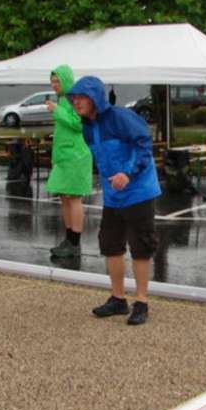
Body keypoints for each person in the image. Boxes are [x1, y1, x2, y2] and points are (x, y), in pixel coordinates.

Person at [67, 76, 161, 325]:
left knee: (141, 246)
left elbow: (144, 145)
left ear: (95, 98)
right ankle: (118, 299)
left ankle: (141, 302)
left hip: (138, 190)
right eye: (74, 97)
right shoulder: (88, 125)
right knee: (110, 244)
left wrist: (128, 173)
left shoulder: (121, 117)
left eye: (81, 97)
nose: (76, 101)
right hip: (113, 195)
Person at [45, 65, 93, 259]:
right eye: (52, 81)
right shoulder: (63, 99)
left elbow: (78, 124)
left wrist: (57, 111)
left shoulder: (74, 99)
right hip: (64, 157)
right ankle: (68, 239)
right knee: (64, 198)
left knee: (73, 198)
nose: (54, 85)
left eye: (57, 81)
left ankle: (75, 243)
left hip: (75, 157)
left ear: (66, 80)